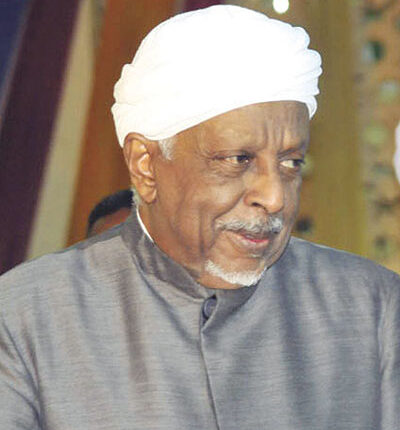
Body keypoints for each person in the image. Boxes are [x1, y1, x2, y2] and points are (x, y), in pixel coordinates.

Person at [0, 5, 399, 429]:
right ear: (145, 166)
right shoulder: (25, 318)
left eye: (290, 163)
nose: (274, 197)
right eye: (237, 159)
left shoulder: (374, 308)